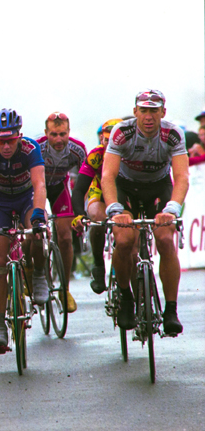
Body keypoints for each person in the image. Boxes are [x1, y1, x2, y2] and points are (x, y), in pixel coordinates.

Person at [102, 89, 189, 335]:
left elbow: (181, 176)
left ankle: (170, 310)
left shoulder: (173, 134)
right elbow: (108, 176)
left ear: (163, 112)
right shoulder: (122, 132)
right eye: (144, 110)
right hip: (125, 187)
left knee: (164, 237)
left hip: (158, 188)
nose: (148, 117)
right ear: (135, 112)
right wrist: (114, 210)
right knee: (125, 239)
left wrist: (172, 208)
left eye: (154, 111)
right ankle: (126, 296)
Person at [0, 109, 46, 353]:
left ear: (20, 135)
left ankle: (38, 273)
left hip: (26, 198)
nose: (6, 146)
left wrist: (38, 214)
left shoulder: (31, 148)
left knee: (37, 234)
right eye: (0, 140)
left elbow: (39, 184)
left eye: (10, 140)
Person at [36, 112, 86, 313]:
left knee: (65, 237)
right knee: (34, 235)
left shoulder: (78, 150)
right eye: (54, 134)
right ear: (46, 132)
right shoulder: (36, 148)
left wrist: (81, 211)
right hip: (35, 187)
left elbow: (83, 182)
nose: (58, 139)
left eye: (63, 134)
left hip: (59, 187)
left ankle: (65, 289)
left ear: (69, 132)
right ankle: (36, 272)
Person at [71, 118, 122, 293]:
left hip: (125, 194)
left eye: (116, 141)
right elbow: (78, 190)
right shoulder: (96, 155)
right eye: (107, 141)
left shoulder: (132, 153)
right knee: (98, 218)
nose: (111, 146)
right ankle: (98, 264)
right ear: (102, 140)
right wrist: (79, 214)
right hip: (100, 191)